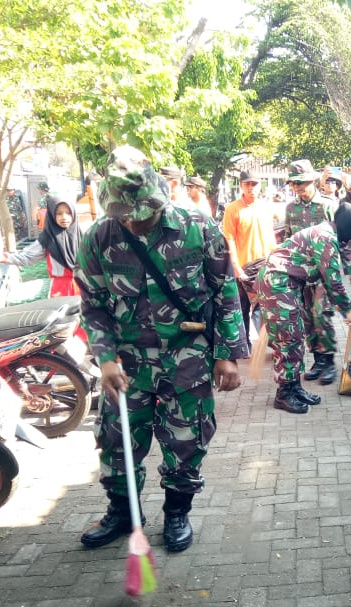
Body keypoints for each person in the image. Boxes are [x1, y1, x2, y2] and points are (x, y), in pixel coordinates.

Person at [74, 146, 246, 553]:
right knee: (117, 439)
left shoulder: (198, 227)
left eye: (142, 213)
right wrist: (106, 358)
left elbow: (225, 293)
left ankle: (176, 512)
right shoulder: (101, 236)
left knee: (186, 440)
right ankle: (123, 513)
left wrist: (227, 353)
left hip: (187, 358)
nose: (134, 222)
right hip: (128, 364)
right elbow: (92, 303)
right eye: (126, 215)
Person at [256, 203, 351, 413]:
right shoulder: (325, 238)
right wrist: (347, 310)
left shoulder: (329, 235)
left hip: (288, 284)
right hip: (277, 282)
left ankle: (294, 386)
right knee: (288, 338)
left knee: (296, 336)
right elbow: (332, 281)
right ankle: (284, 393)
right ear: (349, 227)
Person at [283, 159, 351, 386]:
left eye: (302, 183)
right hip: (301, 274)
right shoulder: (291, 208)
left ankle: (328, 362)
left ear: (313, 181)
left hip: (325, 272)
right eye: (294, 184)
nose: (298, 188)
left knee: (321, 313)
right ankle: (317, 359)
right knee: (306, 317)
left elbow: (344, 240)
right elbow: (289, 239)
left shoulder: (328, 205)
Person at [222, 170, 276, 342]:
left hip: (265, 266)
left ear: (260, 185)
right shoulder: (233, 209)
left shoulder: (266, 207)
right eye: (247, 184)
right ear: (241, 185)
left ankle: (266, 345)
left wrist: (274, 262)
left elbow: (271, 236)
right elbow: (228, 238)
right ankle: (244, 345)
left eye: (254, 184)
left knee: (265, 307)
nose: (251, 187)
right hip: (243, 267)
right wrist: (236, 267)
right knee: (242, 308)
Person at [4, 193, 84, 298]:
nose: (64, 217)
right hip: (60, 291)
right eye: (59, 213)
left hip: (83, 288)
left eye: (68, 213)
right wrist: (3, 257)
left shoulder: (83, 234)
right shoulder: (47, 238)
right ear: (51, 215)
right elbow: (27, 257)